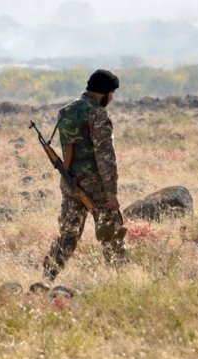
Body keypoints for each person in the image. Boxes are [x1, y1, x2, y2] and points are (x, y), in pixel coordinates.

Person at [42, 69, 128, 281]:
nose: (112, 98)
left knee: (68, 235)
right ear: (105, 92)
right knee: (111, 233)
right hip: (95, 186)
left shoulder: (65, 111)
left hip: (71, 182)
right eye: (112, 93)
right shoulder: (97, 113)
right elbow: (105, 156)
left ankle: (46, 278)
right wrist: (111, 192)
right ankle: (123, 280)